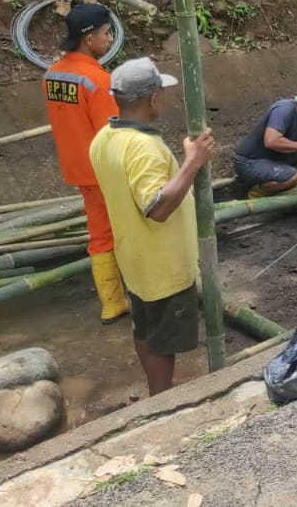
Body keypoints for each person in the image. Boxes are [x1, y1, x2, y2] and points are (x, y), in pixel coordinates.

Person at [89, 57, 215, 397]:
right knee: (163, 339)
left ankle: (157, 388)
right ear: (153, 99)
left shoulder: (103, 137)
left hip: (133, 256)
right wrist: (194, 160)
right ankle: (160, 401)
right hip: (163, 262)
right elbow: (157, 208)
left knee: (144, 327)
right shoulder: (143, 147)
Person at [42, 2, 129, 324]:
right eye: (106, 33)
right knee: (126, 230)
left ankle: (112, 301)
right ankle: (129, 296)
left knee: (100, 232)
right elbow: (112, 133)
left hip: (77, 167)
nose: (109, 39)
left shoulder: (53, 75)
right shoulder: (97, 80)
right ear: (89, 38)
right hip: (104, 170)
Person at [233, 81, 297, 199]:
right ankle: (255, 194)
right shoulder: (284, 109)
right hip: (250, 162)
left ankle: (286, 177)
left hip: (275, 161)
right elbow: (271, 141)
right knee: (292, 176)